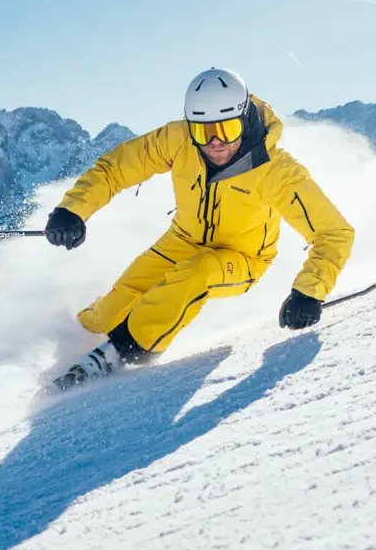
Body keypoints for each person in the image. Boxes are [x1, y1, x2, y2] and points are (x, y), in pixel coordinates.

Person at [45, 67, 356, 389]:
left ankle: (126, 351)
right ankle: (79, 334)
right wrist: (72, 210)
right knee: (110, 310)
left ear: (245, 119)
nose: (216, 142)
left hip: (242, 257)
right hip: (181, 241)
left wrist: (309, 292)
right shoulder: (179, 140)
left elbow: (334, 232)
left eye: (227, 129)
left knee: (195, 274)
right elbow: (116, 168)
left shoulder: (276, 170)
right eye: (204, 132)